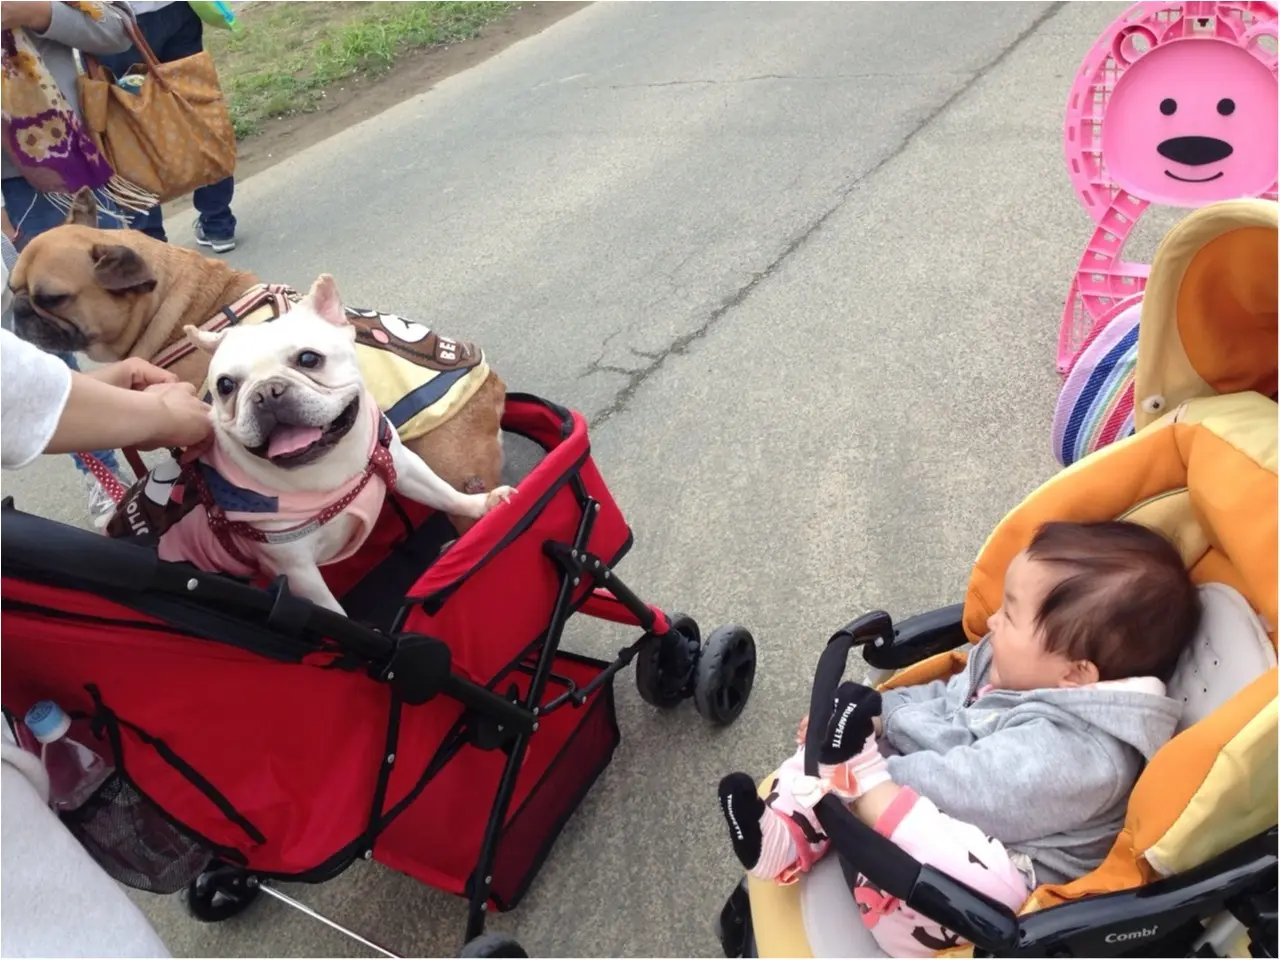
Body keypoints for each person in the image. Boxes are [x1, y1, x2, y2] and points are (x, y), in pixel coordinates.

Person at [718, 520, 1201, 957]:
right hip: (914, 800)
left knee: (960, 852)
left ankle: (846, 798)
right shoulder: (1019, 666)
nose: (992, 622)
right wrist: (882, 717)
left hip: (979, 889)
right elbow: (944, 697)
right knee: (830, 736)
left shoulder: (1085, 756)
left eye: (1010, 615)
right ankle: (781, 840)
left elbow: (968, 789)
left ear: (1075, 674)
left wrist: (861, 777)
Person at [2, 0, 140, 521]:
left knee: (142, 302)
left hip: (78, 162)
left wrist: (34, 11)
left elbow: (118, 27)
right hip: (14, 192)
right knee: (45, 335)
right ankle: (104, 475)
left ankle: (201, 433)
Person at [98, 1, 237, 252]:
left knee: (132, 128)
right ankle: (218, 222)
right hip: (175, 7)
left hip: (114, 20)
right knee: (196, 109)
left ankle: (151, 241)